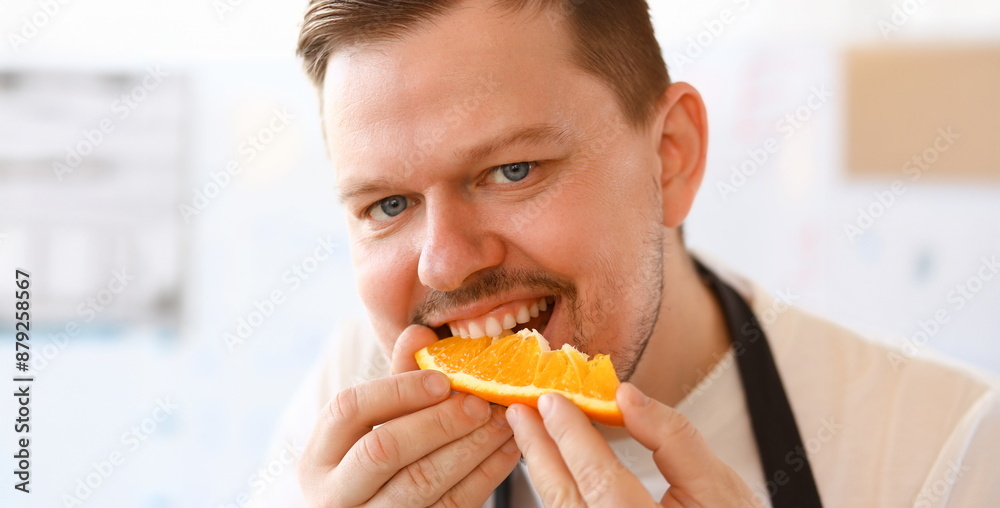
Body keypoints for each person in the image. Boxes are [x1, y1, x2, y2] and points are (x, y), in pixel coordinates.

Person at [251, 1, 1000, 506]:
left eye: (513, 170)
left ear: (671, 156)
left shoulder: (945, 449)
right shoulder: (352, 415)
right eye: (388, 205)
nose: (444, 265)